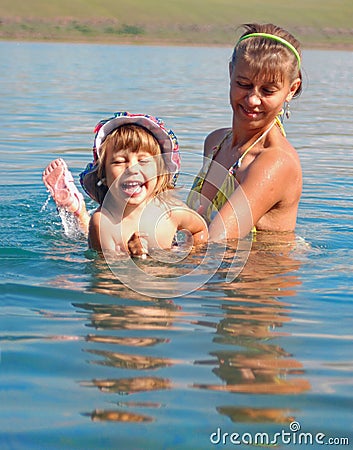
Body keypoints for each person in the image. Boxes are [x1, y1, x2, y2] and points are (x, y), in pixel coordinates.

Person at [186, 23, 303, 240]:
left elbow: (217, 240)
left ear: (291, 89)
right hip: (217, 269)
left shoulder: (276, 162)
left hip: (259, 272)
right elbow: (194, 224)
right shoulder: (215, 142)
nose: (252, 99)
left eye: (268, 90)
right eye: (244, 84)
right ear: (231, 72)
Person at [43, 112, 207, 257]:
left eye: (143, 161)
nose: (132, 169)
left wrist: (187, 253)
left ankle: (78, 210)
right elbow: (103, 276)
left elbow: (200, 230)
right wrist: (137, 260)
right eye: (119, 161)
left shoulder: (172, 211)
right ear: (104, 176)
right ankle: (78, 213)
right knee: (72, 249)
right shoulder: (101, 223)